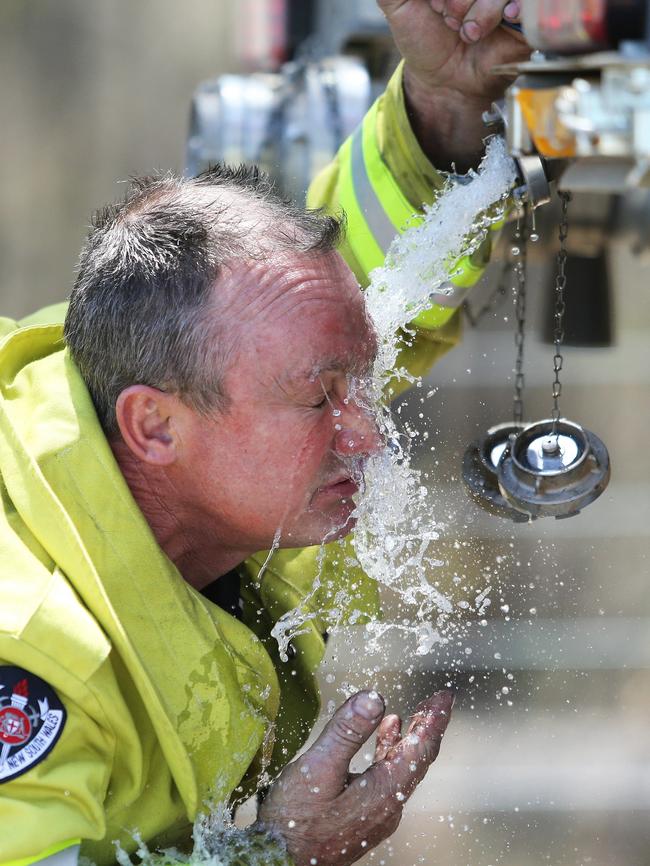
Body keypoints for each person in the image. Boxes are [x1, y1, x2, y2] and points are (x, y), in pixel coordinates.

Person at [0, 3, 529, 865]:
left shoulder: (181, 380)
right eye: (323, 398)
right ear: (154, 427)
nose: (367, 433)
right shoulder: (28, 651)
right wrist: (278, 854)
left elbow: (376, 288)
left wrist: (439, 107)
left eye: (356, 381)